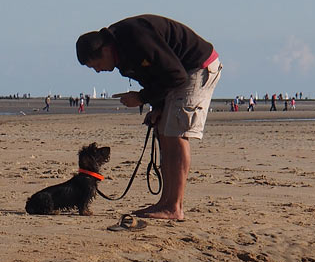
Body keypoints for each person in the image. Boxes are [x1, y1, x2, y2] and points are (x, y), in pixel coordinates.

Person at [76, 14, 220, 221]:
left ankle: (174, 207)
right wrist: (157, 107)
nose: (97, 71)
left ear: (105, 50)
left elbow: (175, 75)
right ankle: (166, 203)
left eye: (95, 64)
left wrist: (141, 97)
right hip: (178, 75)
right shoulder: (120, 54)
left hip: (196, 67)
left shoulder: (135, 39)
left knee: (176, 135)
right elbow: (157, 76)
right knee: (163, 130)